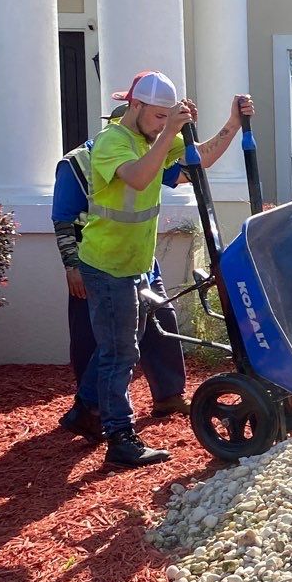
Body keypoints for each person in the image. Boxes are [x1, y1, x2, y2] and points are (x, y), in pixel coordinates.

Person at [77, 71, 252, 469]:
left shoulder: (151, 137)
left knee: (120, 344)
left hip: (138, 262)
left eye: (164, 118)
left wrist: (232, 125)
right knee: (121, 353)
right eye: (156, 117)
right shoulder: (111, 143)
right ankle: (120, 439)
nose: (161, 125)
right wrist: (167, 130)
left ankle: (82, 409)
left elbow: (197, 160)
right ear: (134, 106)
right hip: (106, 265)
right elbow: (139, 179)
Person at [55, 110, 189, 443]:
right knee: (102, 342)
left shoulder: (147, 152)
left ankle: (167, 394)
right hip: (99, 265)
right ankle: (95, 413)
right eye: (154, 127)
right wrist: (72, 267)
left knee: (161, 323)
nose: (156, 133)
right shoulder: (76, 164)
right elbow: (63, 219)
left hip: (139, 260)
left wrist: (225, 130)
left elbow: (180, 173)